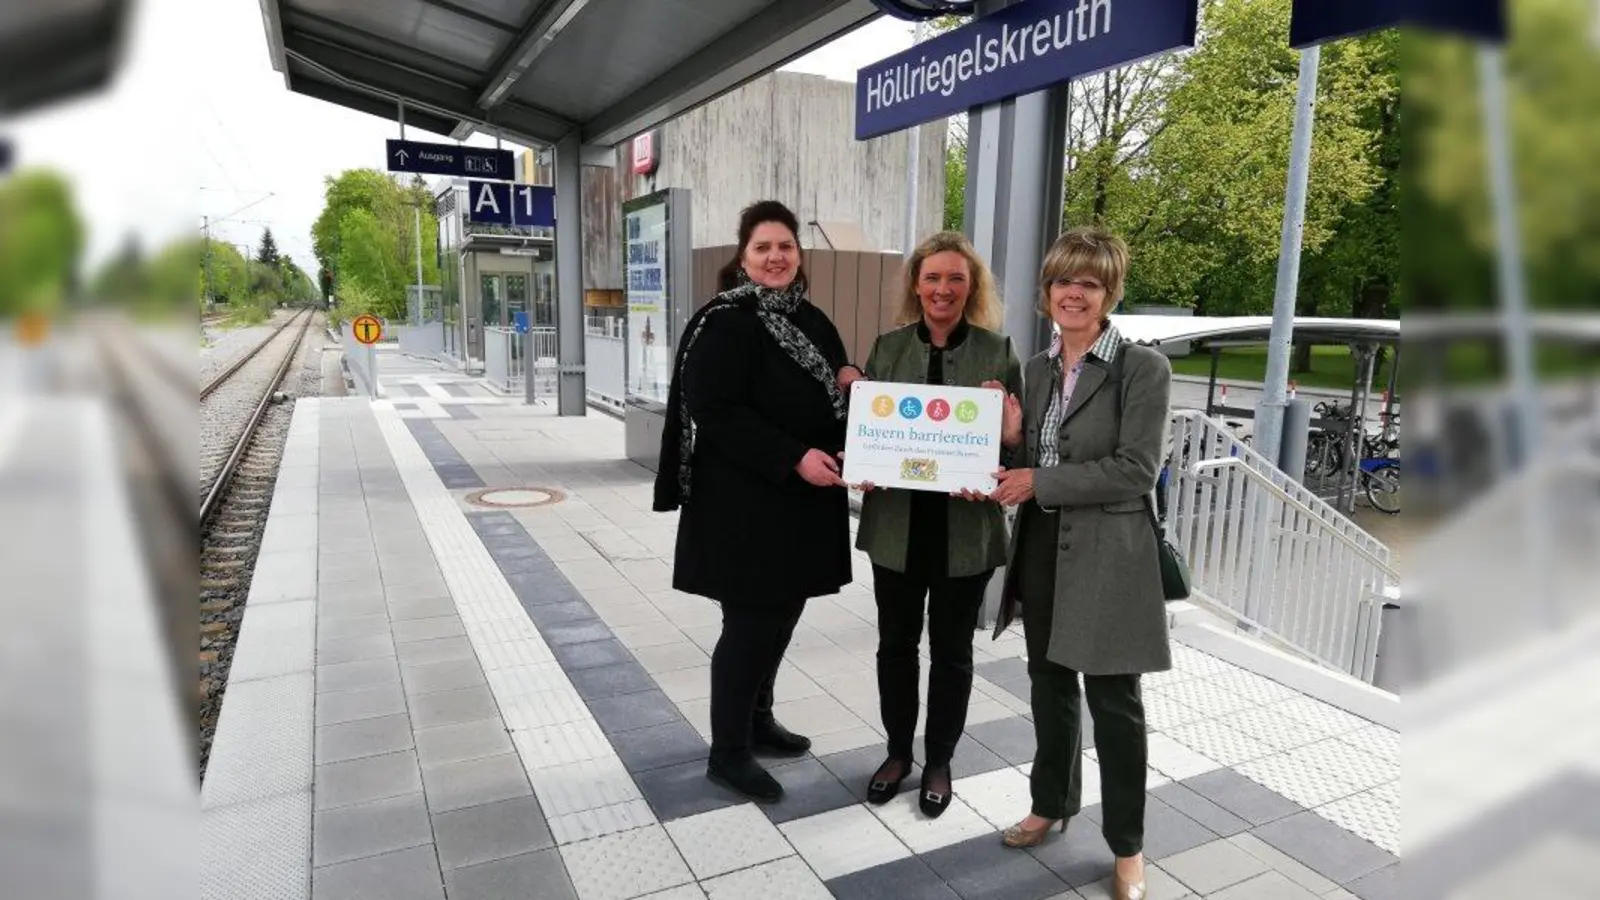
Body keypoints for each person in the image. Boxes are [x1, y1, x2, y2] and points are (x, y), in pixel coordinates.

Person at [653, 200, 860, 803]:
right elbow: (716, 411)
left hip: (798, 506)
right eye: (763, 247)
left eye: (786, 247)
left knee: (783, 617)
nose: (776, 257)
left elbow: (830, 390)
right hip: (744, 507)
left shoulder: (812, 319)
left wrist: (850, 379)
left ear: (799, 256)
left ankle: (758, 719)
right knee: (748, 627)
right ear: (742, 256)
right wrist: (793, 455)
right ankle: (729, 752)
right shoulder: (725, 321)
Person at [988, 227, 1172, 900]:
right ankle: (1052, 802)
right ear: (1047, 293)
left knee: (1116, 707)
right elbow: (1029, 463)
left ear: (1109, 293)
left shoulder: (1140, 368)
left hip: (1112, 555)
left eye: (1090, 283)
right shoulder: (1035, 371)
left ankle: (1127, 847)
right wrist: (1007, 445)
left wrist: (1036, 480)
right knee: (1049, 690)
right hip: (1041, 550)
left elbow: (1135, 470)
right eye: (1065, 280)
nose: (1075, 292)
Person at [850, 232, 1022, 818]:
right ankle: (898, 753)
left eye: (955, 279)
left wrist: (1010, 438)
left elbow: (1018, 453)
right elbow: (868, 430)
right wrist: (864, 463)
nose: (942, 289)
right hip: (896, 529)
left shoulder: (998, 352)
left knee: (952, 654)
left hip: (964, 534)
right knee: (895, 647)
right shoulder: (888, 347)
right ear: (916, 286)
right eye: (932, 278)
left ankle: (940, 760)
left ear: (971, 287)